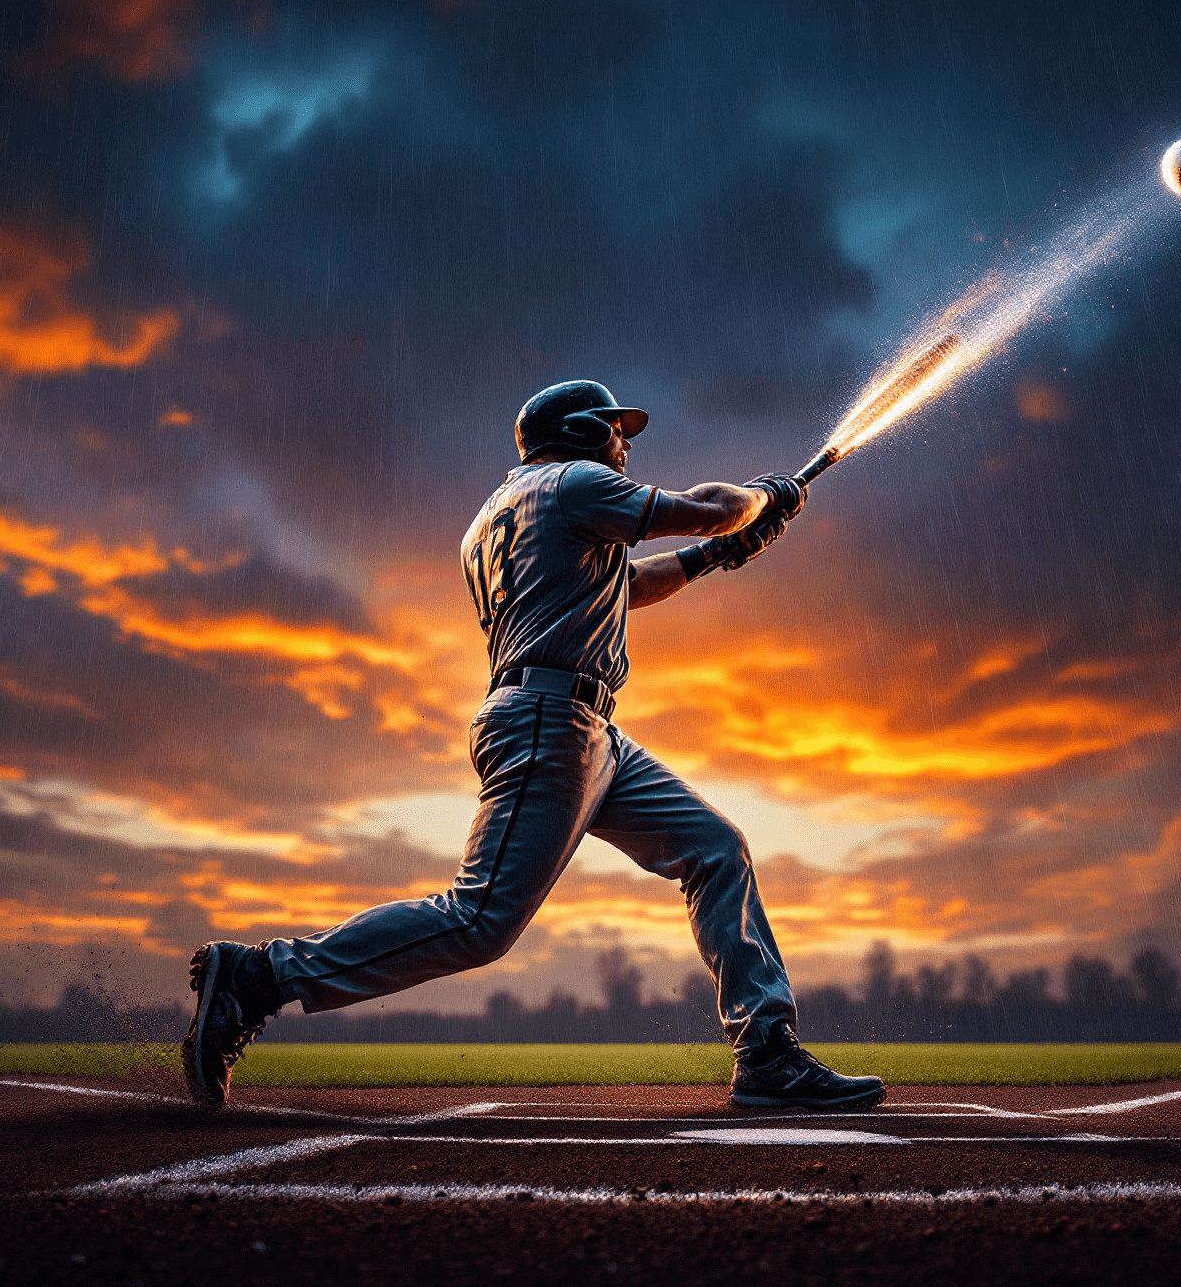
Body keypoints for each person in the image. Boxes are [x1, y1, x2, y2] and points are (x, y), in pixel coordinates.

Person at [183, 380, 885, 1113]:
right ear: (581, 432)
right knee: (479, 919)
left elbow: (623, 587)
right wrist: (764, 498)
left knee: (716, 847)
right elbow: (710, 509)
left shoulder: (501, 512)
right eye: (618, 431)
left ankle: (766, 1051)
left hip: (580, 727)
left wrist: (715, 559)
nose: (626, 445)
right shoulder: (574, 482)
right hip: (550, 723)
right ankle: (260, 976)